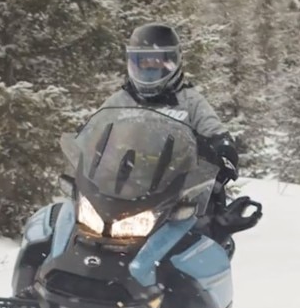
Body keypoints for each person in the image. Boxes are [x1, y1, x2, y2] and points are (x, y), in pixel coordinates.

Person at [99, 23, 252, 252]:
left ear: (172, 62)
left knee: (202, 233)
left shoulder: (190, 100)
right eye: (143, 61)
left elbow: (216, 131)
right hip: (125, 188)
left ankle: (208, 254)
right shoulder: (121, 100)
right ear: (133, 63)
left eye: (157, 61)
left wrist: (222, 150)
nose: (149, 68)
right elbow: (96, 129)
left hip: (176, 191)